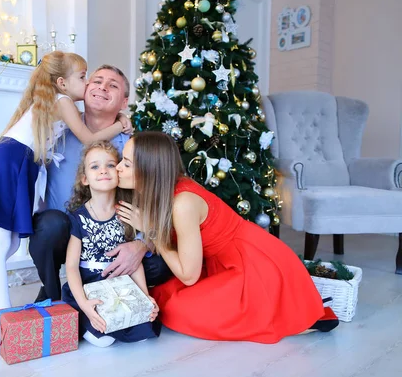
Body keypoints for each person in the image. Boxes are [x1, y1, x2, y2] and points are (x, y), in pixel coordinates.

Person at [0, 65, 173, 308]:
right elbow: (14, 152)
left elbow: (155, 202)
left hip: (112, 240)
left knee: (159, 266)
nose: (102, 87)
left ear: (124, 102)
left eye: (113, 85)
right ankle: (54, 294)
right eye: (96, 81)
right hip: (64, 233)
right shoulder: (55, 132)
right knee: (48, 225)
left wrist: (141, 244)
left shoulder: (132, 148)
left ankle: (105, 289)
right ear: (85, 89)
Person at [0, 52, 132, 319]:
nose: (90, 85)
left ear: (124, 100)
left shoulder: (58, 108)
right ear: (62, 82)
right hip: (13, 165)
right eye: (86, 78)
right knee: (0, 246)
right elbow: (89, 138)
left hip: (21, 166)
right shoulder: (63, 105)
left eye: (111, 85)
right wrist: (119, 124)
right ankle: (7, 316)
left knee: (8, 246)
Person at [115, 131, 339, 344]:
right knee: (164, 294)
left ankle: (289, 319)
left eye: (126, 163)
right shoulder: (162, 189)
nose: (117, 168)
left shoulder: (182, 203)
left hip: (252, 265)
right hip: (221, 260)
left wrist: (151, 231)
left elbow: (188, 277)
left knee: (177, 309)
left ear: (149, 170)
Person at [60, 141, 160, 347]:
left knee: (143, 332)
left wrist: (144, 296)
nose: (103, 171)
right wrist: (84, 304)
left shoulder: (126, 212)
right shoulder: (78, 217)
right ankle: (89, 317)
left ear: (119, 172)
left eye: (110, 165)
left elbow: (134, 262)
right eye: (95, 166)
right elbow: (71, 266)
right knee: (103, 339)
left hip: (120, 281)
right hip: (90, 284)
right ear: (85, 179)